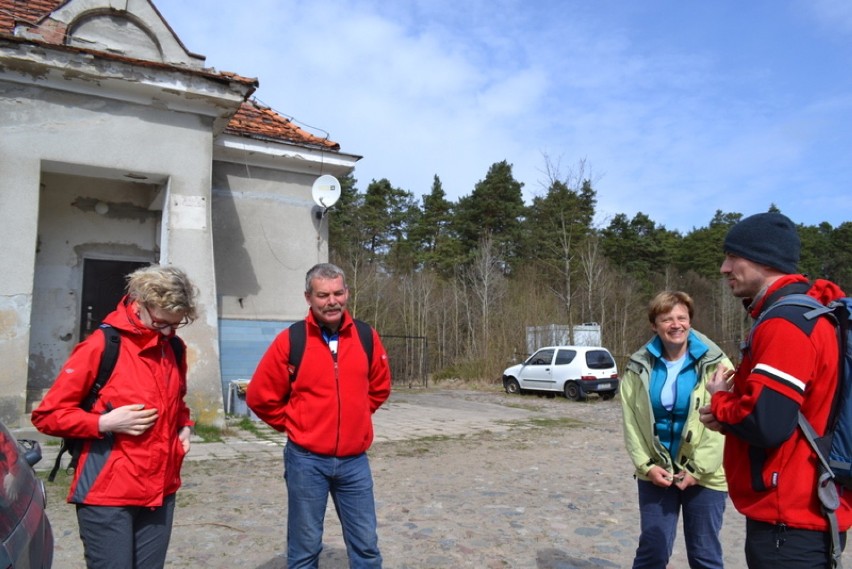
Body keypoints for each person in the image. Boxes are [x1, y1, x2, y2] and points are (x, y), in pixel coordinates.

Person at [699, 212, 851, 568]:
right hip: (812, 509)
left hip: (790, 519)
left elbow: (766, 422)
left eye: (732, 256)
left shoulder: (784, 323)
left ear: (763, 258)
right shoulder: (814, 314)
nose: (724, 268)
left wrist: (721, 402)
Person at [32, 265, 198, 569]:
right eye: (161, 322)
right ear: (139, 302)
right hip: (107, 494)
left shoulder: (172, 347)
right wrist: (103, 423)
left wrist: (184, 426)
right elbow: (47, 416)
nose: (168, 331)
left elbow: (177, 403)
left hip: (160, 490)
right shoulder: (102, 345)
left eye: (176, 324)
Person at [247, 262, 392, 569]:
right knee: (304, 547)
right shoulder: (292, 340)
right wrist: (296, 424)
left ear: (347, 293)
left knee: (366, 545)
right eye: (323, 294)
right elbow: (260, 396)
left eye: (338, 293)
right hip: (306, 461)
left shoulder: (366, 336)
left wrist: (357, 418)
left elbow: (379, 387)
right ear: (308, 297)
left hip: (355, 461)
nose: (332, 301)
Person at [620, 290, 732, 569]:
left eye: (682, 317)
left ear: (690, 322)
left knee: (704, 554)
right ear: (653, 325)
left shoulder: (717, 364)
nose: (676, 324)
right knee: (653, 552)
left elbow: (722, 423)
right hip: (657, 472)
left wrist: (697, 470)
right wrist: (645, 466)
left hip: (705, 475)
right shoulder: (638, 367)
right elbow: (632, 421)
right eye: (666, 318)